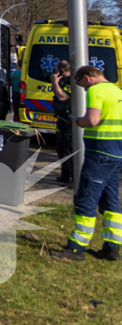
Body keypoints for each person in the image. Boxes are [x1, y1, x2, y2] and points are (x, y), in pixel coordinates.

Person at [51, 65, 122, 262]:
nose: (80, 87)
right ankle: (112, 248)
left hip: (99, 152)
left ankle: (76, 249)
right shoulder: (117, 90)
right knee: (110, 201)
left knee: (86, 199)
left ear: (87, 78)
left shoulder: (95, 90)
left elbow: (92, 120)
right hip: (116, 153)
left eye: (79, 83)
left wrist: (78, 122)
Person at [49, 60, 75, 184]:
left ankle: (71, 175)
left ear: (62, 70)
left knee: (68, 149)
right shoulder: (64, 81)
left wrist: (54, 82)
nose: (55, 72)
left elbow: (62, 97)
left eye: (56, 70)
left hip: (68, 120)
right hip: (62, 119)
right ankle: (65, 174)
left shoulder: (71, 82)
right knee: (61, 148)